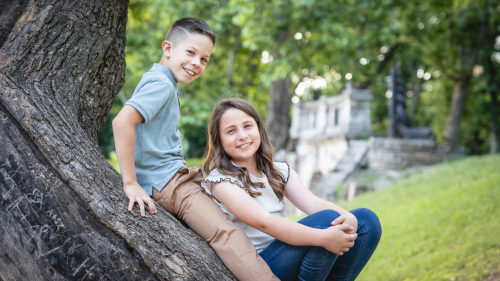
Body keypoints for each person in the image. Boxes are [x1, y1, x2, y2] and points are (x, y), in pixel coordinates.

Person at [112, 18, 278, 281]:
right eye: (190, 52)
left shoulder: (163, 81)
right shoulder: (161, 84)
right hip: (170, 183)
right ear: (167, 48)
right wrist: (130, 183)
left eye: (204, 59)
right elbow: (122, 122)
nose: (196, 63)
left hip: (171, 179)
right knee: (226, 233)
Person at [201, 98, 382, 281]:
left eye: (247, 126)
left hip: (288, 252)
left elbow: (313, 203)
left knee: (366, 221)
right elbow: (265, 222)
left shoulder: (278, 171)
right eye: (231, 131)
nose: (242, 135)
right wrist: (322, 237)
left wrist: (347, 217)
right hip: (259, 265)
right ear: (219, 140)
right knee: (327, 220)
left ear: (258, 128)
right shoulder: (222, 181)